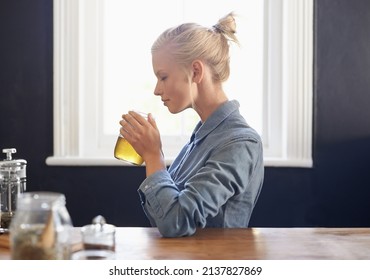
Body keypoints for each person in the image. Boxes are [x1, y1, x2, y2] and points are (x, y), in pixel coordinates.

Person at [119, 12, 264, 237]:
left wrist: (153, 157)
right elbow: (163, 215)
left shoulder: (240, 143)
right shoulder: (202, 136)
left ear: (195, 71)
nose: (157, 90)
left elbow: (176, 223)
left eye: (163, 77)